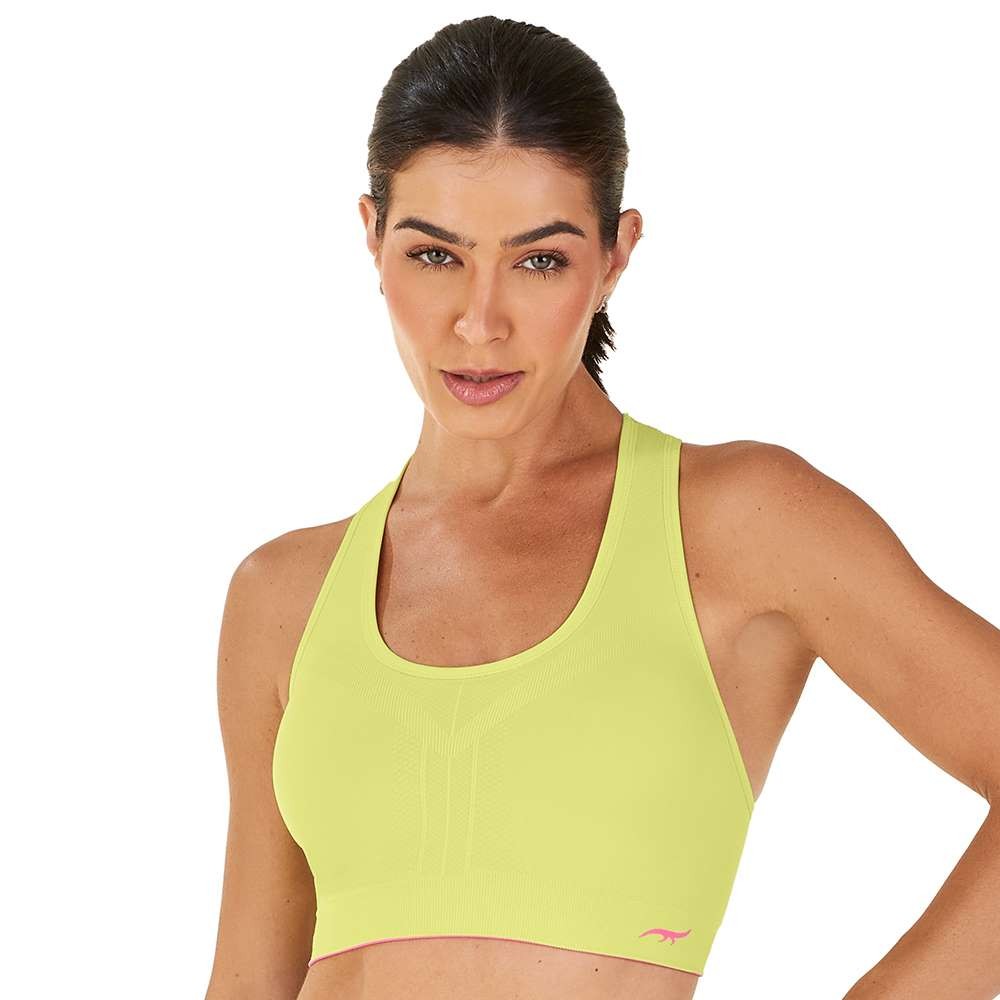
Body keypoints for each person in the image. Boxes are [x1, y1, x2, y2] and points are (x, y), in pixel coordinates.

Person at [204, 16, 1000, 1000]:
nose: (479, 322)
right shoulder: (283, 594)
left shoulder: (737, 523)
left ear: (615, 255)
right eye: (435, 255)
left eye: (538, 260)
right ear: (372, 237)